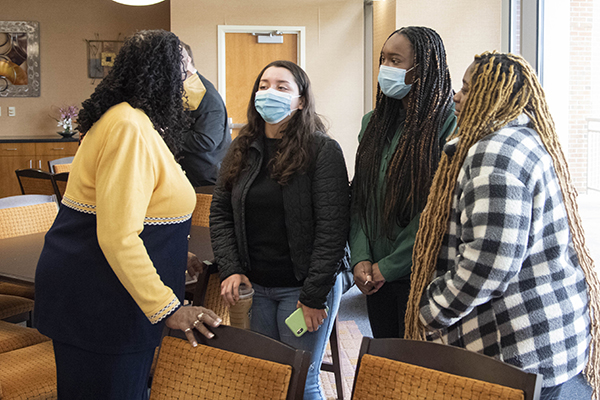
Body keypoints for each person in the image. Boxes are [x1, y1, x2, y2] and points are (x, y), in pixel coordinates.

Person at [34, 30, 222, 400]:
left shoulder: (133, 122)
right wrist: (169, 308)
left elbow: (133, 212)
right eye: (185, 72)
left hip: (106, 291)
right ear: (160, 76)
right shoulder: (128, 128)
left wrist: (172, 256)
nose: (194, 82)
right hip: (102, 299)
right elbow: (117, 235)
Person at [406, 52, 600, 400]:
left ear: (490, 95)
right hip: (540, 339)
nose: (457, 97)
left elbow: (490, 261)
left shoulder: (494, 154)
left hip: (517, 346)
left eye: (467, 89)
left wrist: (431, 310)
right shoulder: (519, 139)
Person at [210, 60, 350, 400]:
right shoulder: (242, 148)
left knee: (302, 383)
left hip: (302, 291)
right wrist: (230, 269)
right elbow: (220, 212)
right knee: (266, 380)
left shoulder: (322, 151)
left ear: (301, 101)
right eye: (264, 85)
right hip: (256, 288)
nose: (269, 92)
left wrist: (314, 297)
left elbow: (333, 230)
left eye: (282, 86)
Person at [350, 26, 456, 339]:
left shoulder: (449, 124)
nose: (386, 68)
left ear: (421, 70)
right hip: (372, 273)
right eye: (383, 59)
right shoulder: (374, 122)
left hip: (423, 273)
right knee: (385, 360)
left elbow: (437, 208)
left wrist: (391, 267)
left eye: (396, 60)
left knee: (418, 369)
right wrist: (361, 258)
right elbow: (361, 197)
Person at [178, 42, 231, 187]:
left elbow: (206, 140)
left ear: (187, 60)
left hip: (206, 181)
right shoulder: (183, 90)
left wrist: (166, 135)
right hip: (188, 177)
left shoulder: (205, 94)